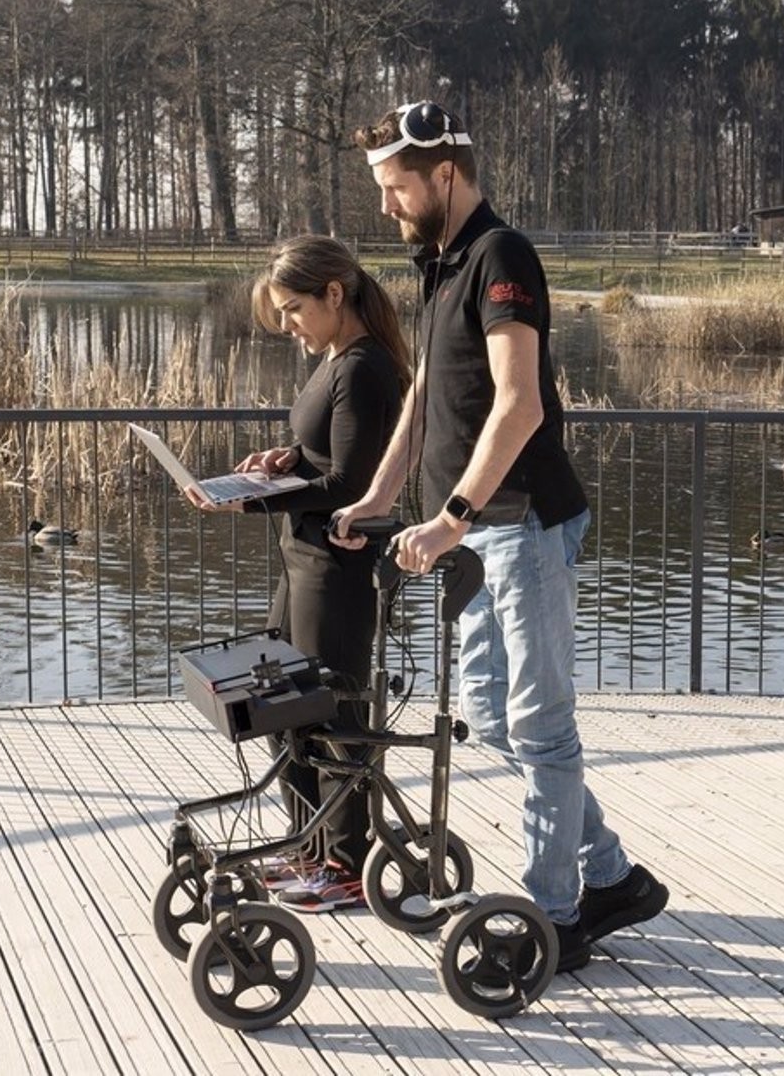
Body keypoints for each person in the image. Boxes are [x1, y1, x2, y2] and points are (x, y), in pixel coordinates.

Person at [331, 99, 668, 972]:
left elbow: (519, 405)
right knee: (492, 714)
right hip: (476, 532)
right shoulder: (443, 265)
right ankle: (612, 876)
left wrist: (451, 519)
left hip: (520, 522)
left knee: (543, 727)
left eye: (395, 187)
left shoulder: (502, 258)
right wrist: (380, 496)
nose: (386, 205)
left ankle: (554, 921)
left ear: (444, 174)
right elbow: (426, 400)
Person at [186, 233, 411, 913]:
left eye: (292, 310)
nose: (287, 325)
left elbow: (351, 481)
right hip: (302, 561)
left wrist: (250, 495)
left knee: (334, 712)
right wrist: (284, 461)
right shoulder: (338, 360)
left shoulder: (366, 367)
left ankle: (345, 863)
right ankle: (309, 845)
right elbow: (324, 459)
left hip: (336, 572)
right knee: (288, 710)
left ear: (333, 295)